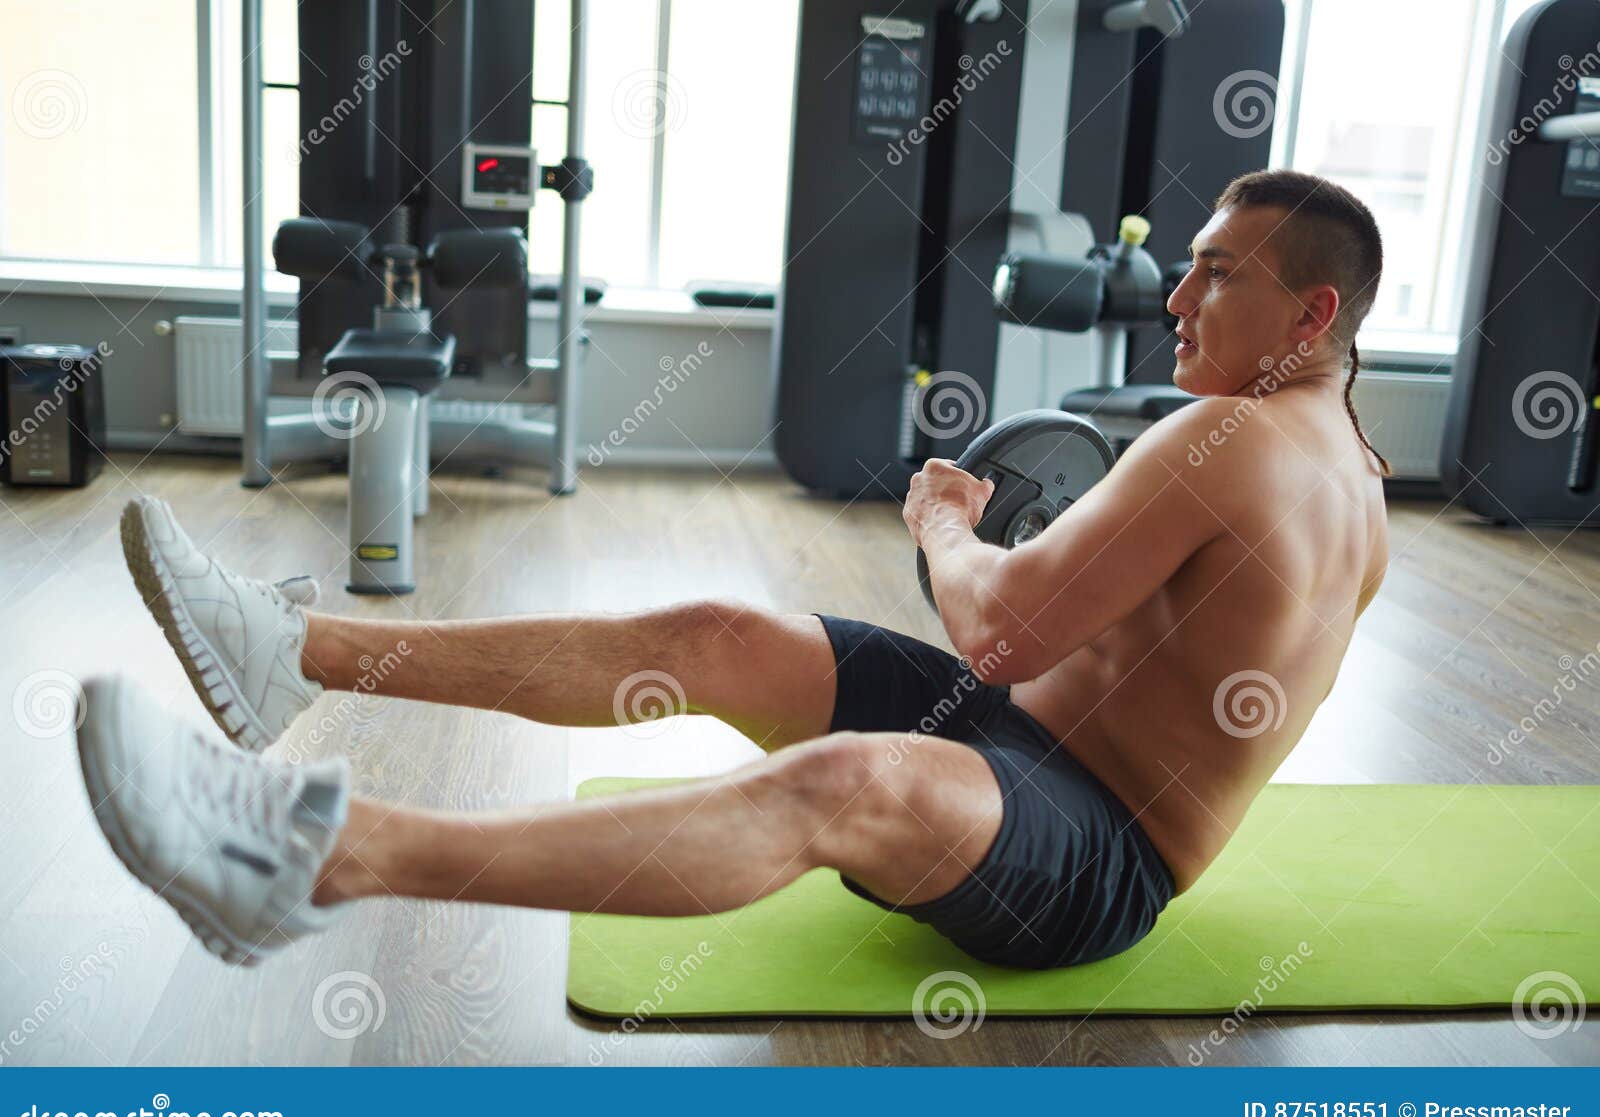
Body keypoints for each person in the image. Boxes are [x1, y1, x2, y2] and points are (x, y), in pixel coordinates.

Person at [76, 169, 1390, 970]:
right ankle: (295, 651)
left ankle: (318, 856)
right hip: (1006, 736)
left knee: (842, 782)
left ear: (1313, 311)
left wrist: (944, 522)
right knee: (716, 633)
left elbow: (1001, 631)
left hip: (1097, 852)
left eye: (1215, 275)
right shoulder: (1354, 474)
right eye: (1188, 271)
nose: (1178, 301)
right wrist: (1010, 566)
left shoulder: (1226, 439)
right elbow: (1106, 637)